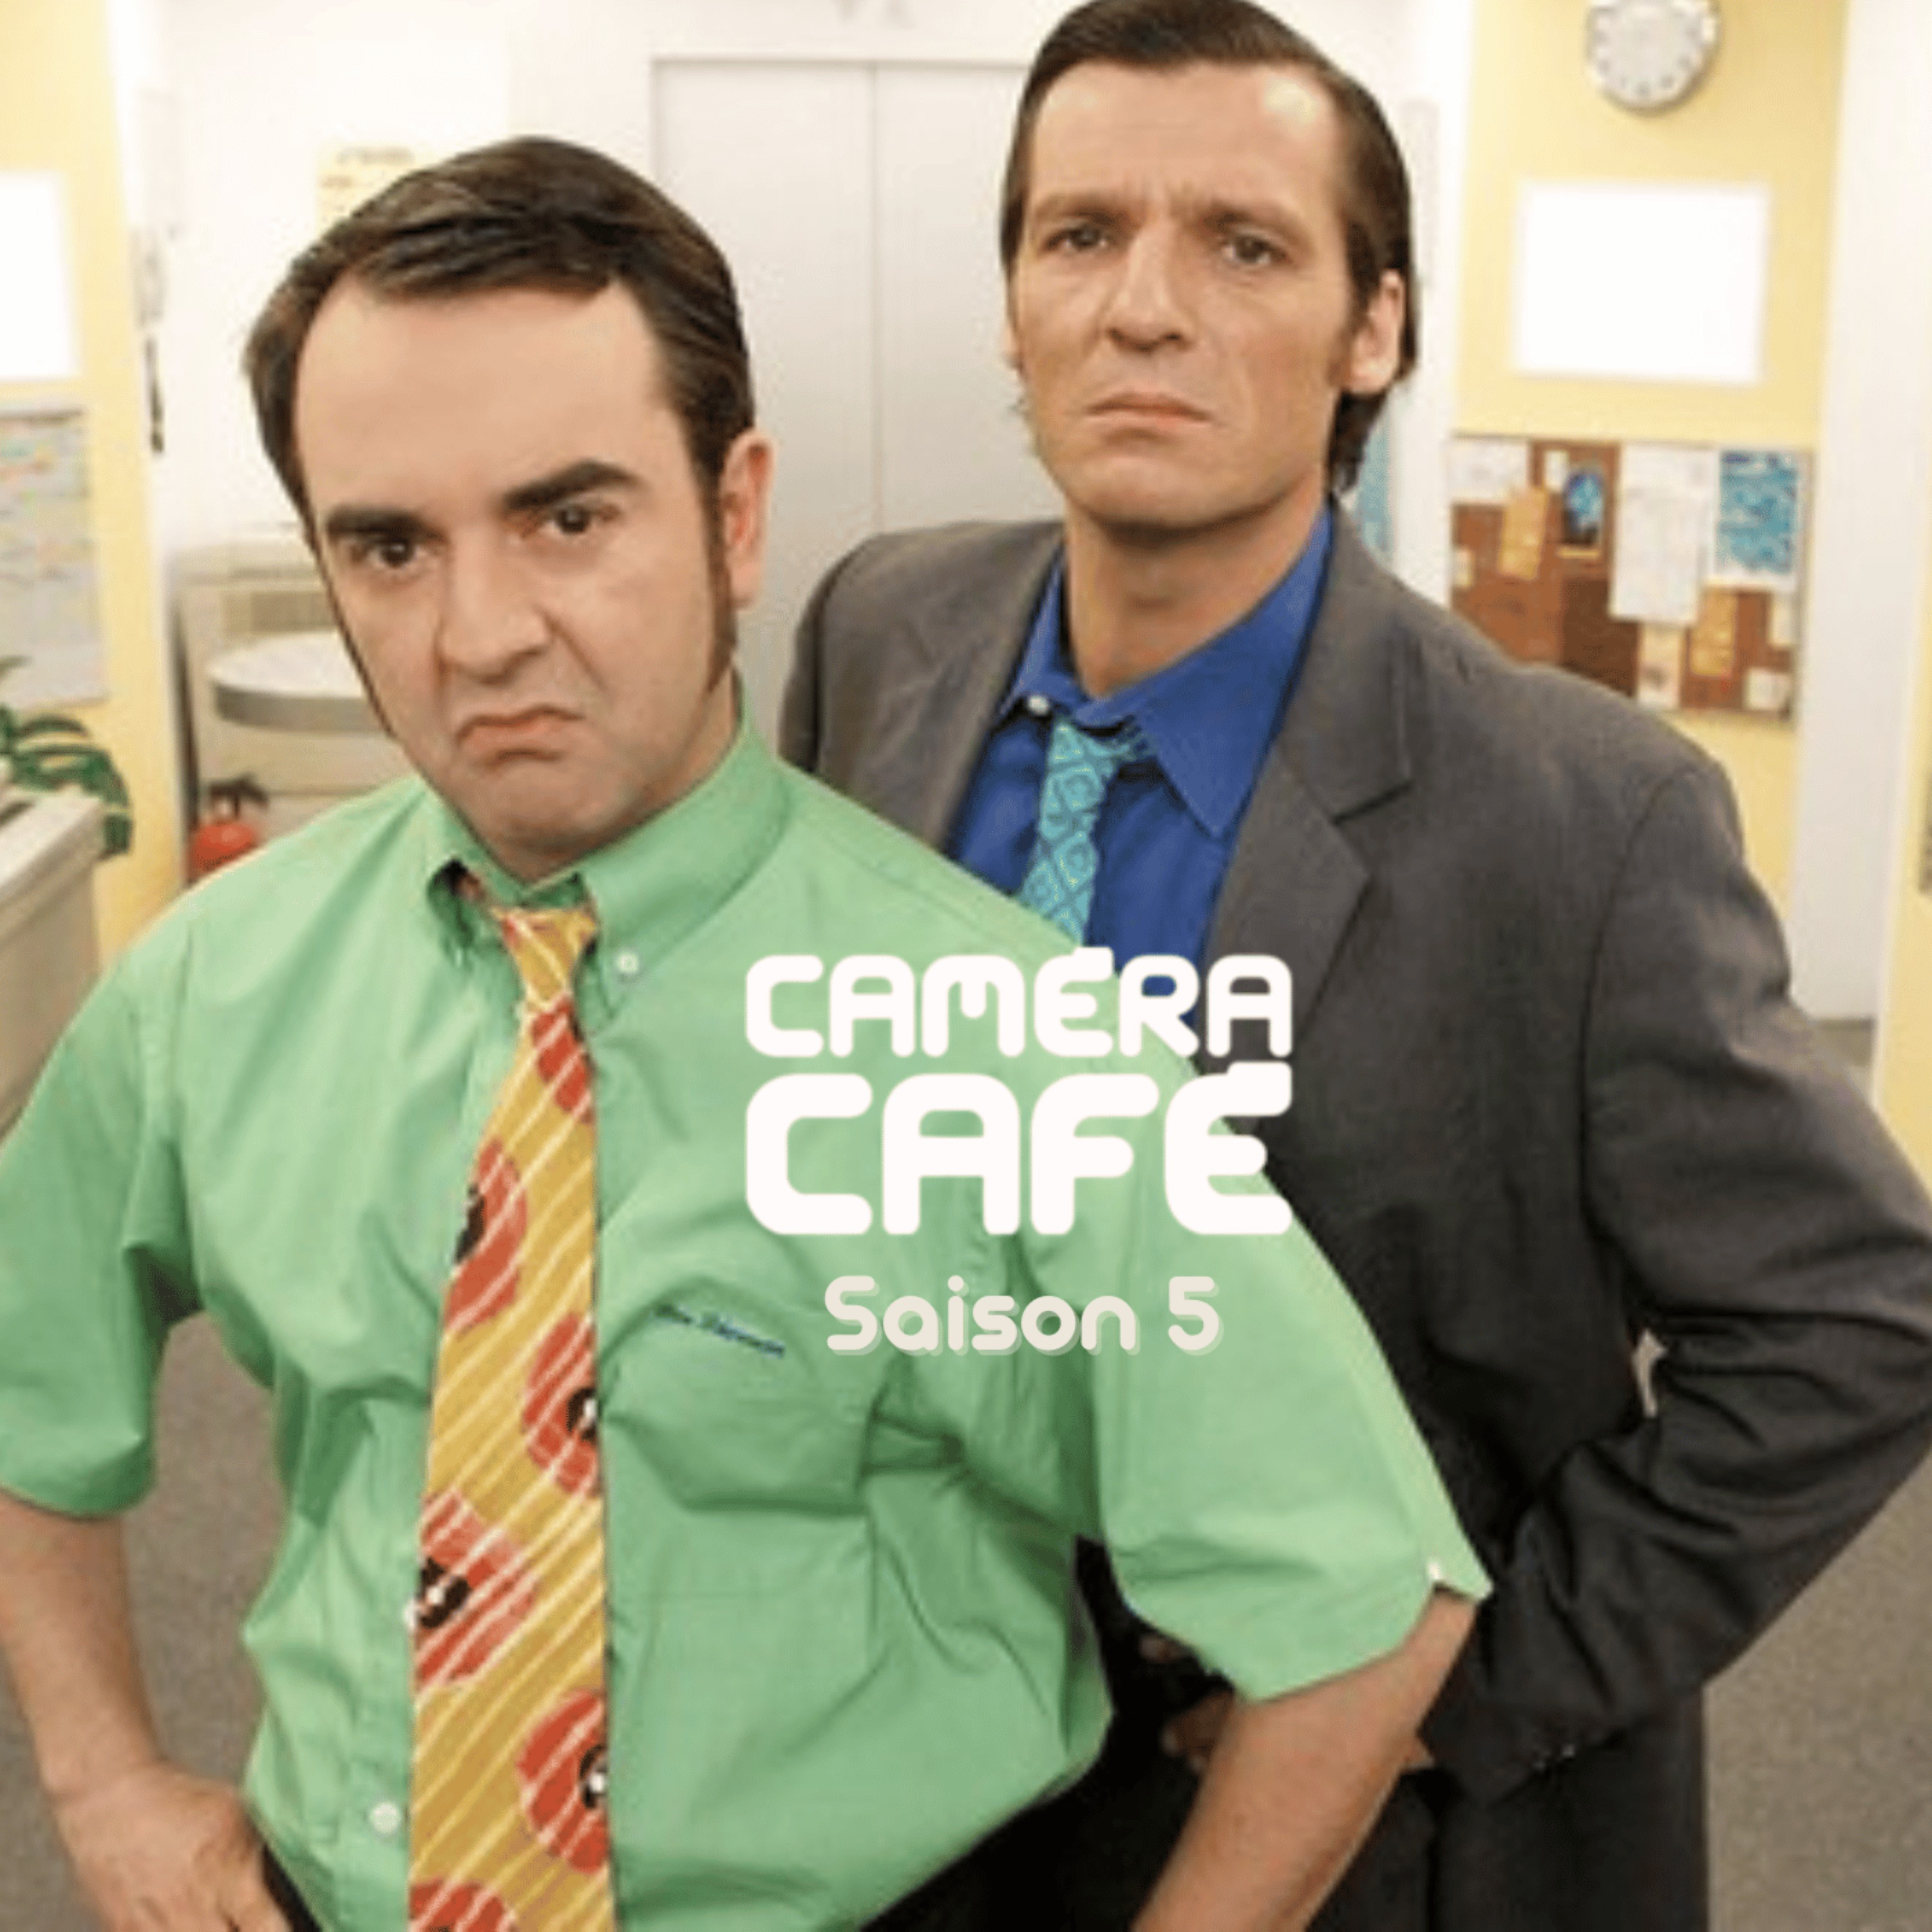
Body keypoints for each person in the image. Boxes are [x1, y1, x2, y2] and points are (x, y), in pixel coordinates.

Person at [0, 137, 1485, 1932]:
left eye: (569, 518)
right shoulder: (212, 984)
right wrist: (99, 1782)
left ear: (735, 515)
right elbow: (25, 1372)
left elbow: (1363, 1596)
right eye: (390, 546)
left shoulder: (1005, 1046)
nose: (481, 634)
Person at [780, 3, 1932, 1927]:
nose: (1144, 308)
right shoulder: (882, 630)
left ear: (1372, 329)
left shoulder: (1584, 818)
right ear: (1013, 306)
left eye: (1244, 246)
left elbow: (1856, 1322)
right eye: (1080, 235)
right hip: (904, 1759)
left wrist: (1453, 1689)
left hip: (1347, 1824)